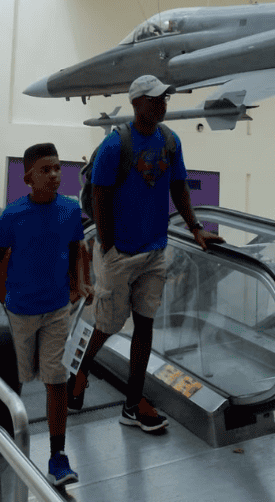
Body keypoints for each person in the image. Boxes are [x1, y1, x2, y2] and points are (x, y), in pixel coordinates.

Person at [67, 74, 223, 433]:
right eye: (155, 99)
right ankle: (80, 371)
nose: (162, 104)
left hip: (155, 250)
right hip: (120, 253)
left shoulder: (171, 141)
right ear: (137, 102)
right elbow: (101, 198)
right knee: (107, 325)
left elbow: (179, 185)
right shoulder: (114, 145)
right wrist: (109, 247)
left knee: (145, 324)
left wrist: (195, 227)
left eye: (164, 98)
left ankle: (132, 405)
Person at [0, 143, 91, 488]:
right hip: (20, 312)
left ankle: (58, 456)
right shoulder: (14, 214)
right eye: (46, 170)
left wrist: (81, 282)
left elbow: (76, 247)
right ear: (28, 177)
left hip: (57, 309)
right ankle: (3, 449)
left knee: (55, 378)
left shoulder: (71, 209)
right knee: (15, 380)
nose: (55, 175)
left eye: (58, 168)